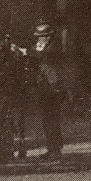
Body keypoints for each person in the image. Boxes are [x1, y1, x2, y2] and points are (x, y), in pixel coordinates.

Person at [31, 22, 64, 160]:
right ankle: (52, 148)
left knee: (52, 119)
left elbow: (39, 54)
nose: (41, 38)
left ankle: (55, 149)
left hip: (53, 87)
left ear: (49, 36)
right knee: (47, 119)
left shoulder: (53, 47)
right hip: (44, 87)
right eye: (39, 36)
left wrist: (28, 51)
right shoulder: (42, 46)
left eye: (44, 36)